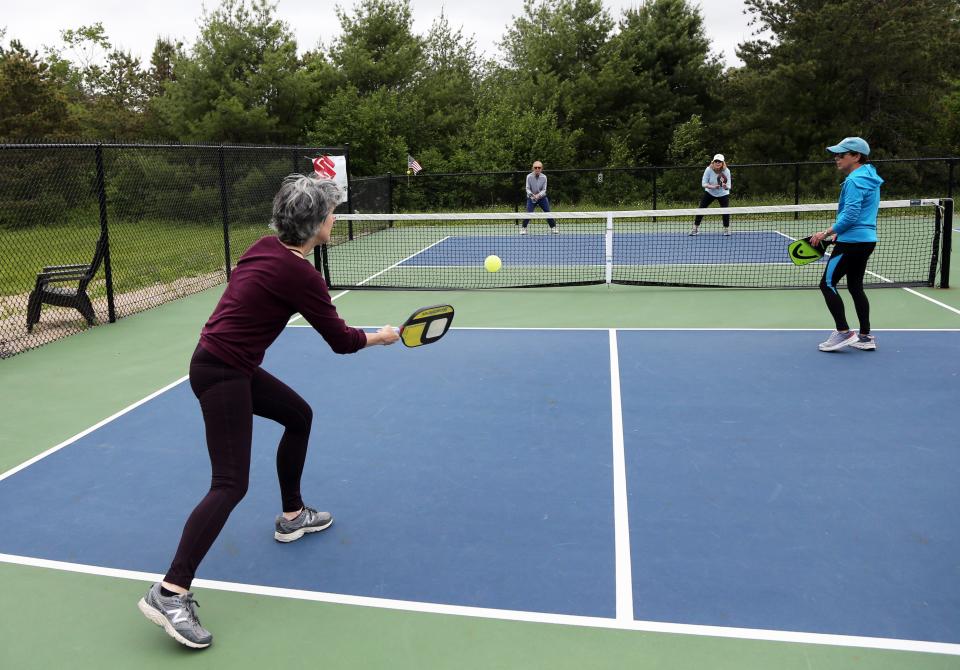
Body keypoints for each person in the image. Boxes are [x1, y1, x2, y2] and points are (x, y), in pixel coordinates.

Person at [137, 175, 400, 649]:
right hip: (222, 373)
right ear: (317, 223)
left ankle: (292, 515)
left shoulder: (263, 247)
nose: (334, 219)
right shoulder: (301, 274)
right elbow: (341, 342)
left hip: (222, 363)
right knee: (229, 484)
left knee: (298, 415)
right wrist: (381, 336)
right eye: (330, 213)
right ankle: (170, 591)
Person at [809, 136, 883, 352]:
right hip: (866, 241)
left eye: (841, 154)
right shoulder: (870, 176)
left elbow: (850, 216)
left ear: (856, 156)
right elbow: (860, 216)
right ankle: (865, 336)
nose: (836, 158)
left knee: (827, 284)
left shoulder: (853, 181)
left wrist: (826, 233)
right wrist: (838, 236)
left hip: (852, 242)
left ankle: (844, 332)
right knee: (855, 286)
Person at [689, 154, 732, 236]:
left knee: (725, 211)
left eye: (720, 161)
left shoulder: (726, 171)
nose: (717, 163)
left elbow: (729, 186)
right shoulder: (708, 170)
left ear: (723, 163)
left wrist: (725, 186)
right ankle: (695, 228)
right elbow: (703, 184)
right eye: (716, 161)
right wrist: (713, 187)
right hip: (710, 192)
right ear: (713, 162)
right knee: (701, 209)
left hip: (723, 193)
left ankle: (726, 229)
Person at [520, 160, 558, 234]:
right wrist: (532, 195)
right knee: (528, 213)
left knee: (547, 212)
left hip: (542, 198)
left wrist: (538, 195)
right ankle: (523, 228)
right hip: (531, 197)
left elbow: (544, 190)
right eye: (535, 167)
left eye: (539, 167)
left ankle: (553, 227)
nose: (537, 169)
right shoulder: (529, 176)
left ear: (541, 168)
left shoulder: (544, 177)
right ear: (533, 168)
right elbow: (527, 188)